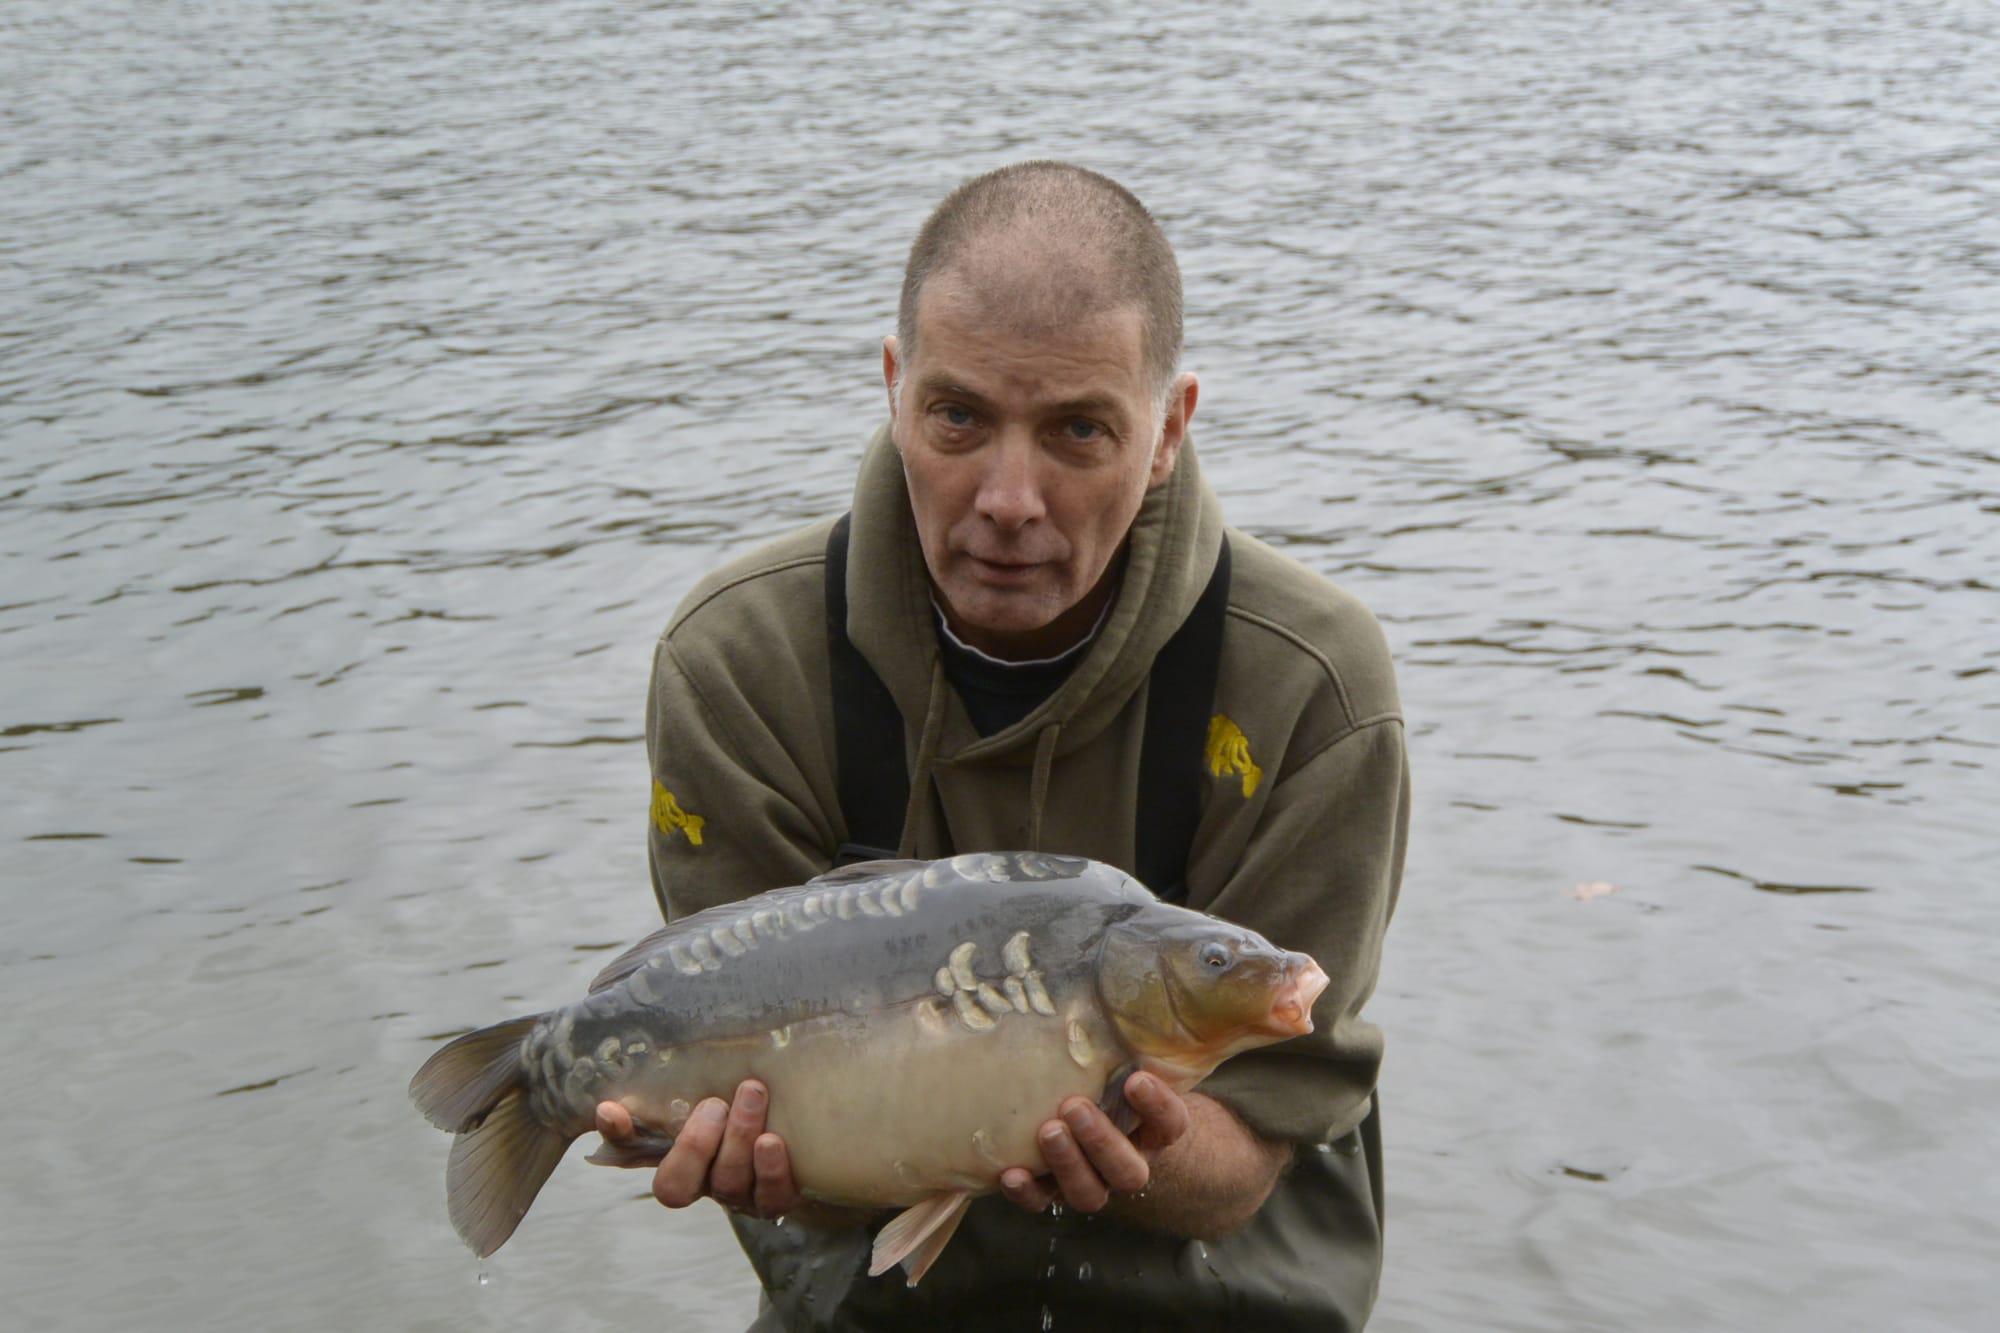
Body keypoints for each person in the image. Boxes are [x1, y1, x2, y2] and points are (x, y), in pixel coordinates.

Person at [597, 161, 1409, 1331]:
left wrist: (1125, 1140)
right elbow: (760, 1122)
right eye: (959, 418)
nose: (1008, 498)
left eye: (1079, 430)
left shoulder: (1310, 685)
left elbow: (1250, 1153)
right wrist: (755, 1152)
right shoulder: (738, 662)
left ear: (1169, 428)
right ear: (893, 390)